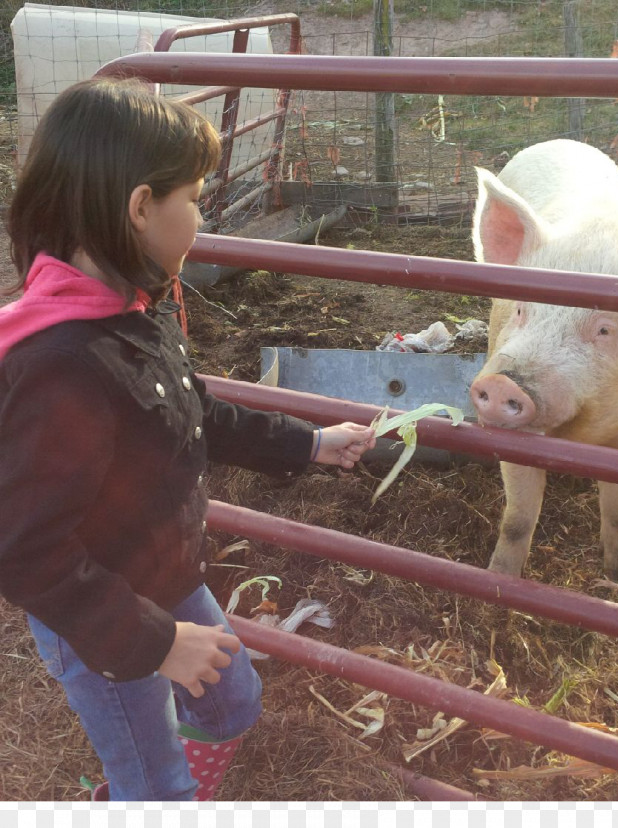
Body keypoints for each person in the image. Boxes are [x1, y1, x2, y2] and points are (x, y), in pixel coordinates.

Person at [0, 77, 376, 802]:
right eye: (197, 198)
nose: (202, 219)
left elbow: (188, 410)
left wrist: (308, 445)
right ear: (142, 207)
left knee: (234, 700)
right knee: (154, 783)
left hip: (167, 577)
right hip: (100, 618)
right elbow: (24, 550)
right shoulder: (63, 365)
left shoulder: (130, 311)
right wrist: (157, 645)